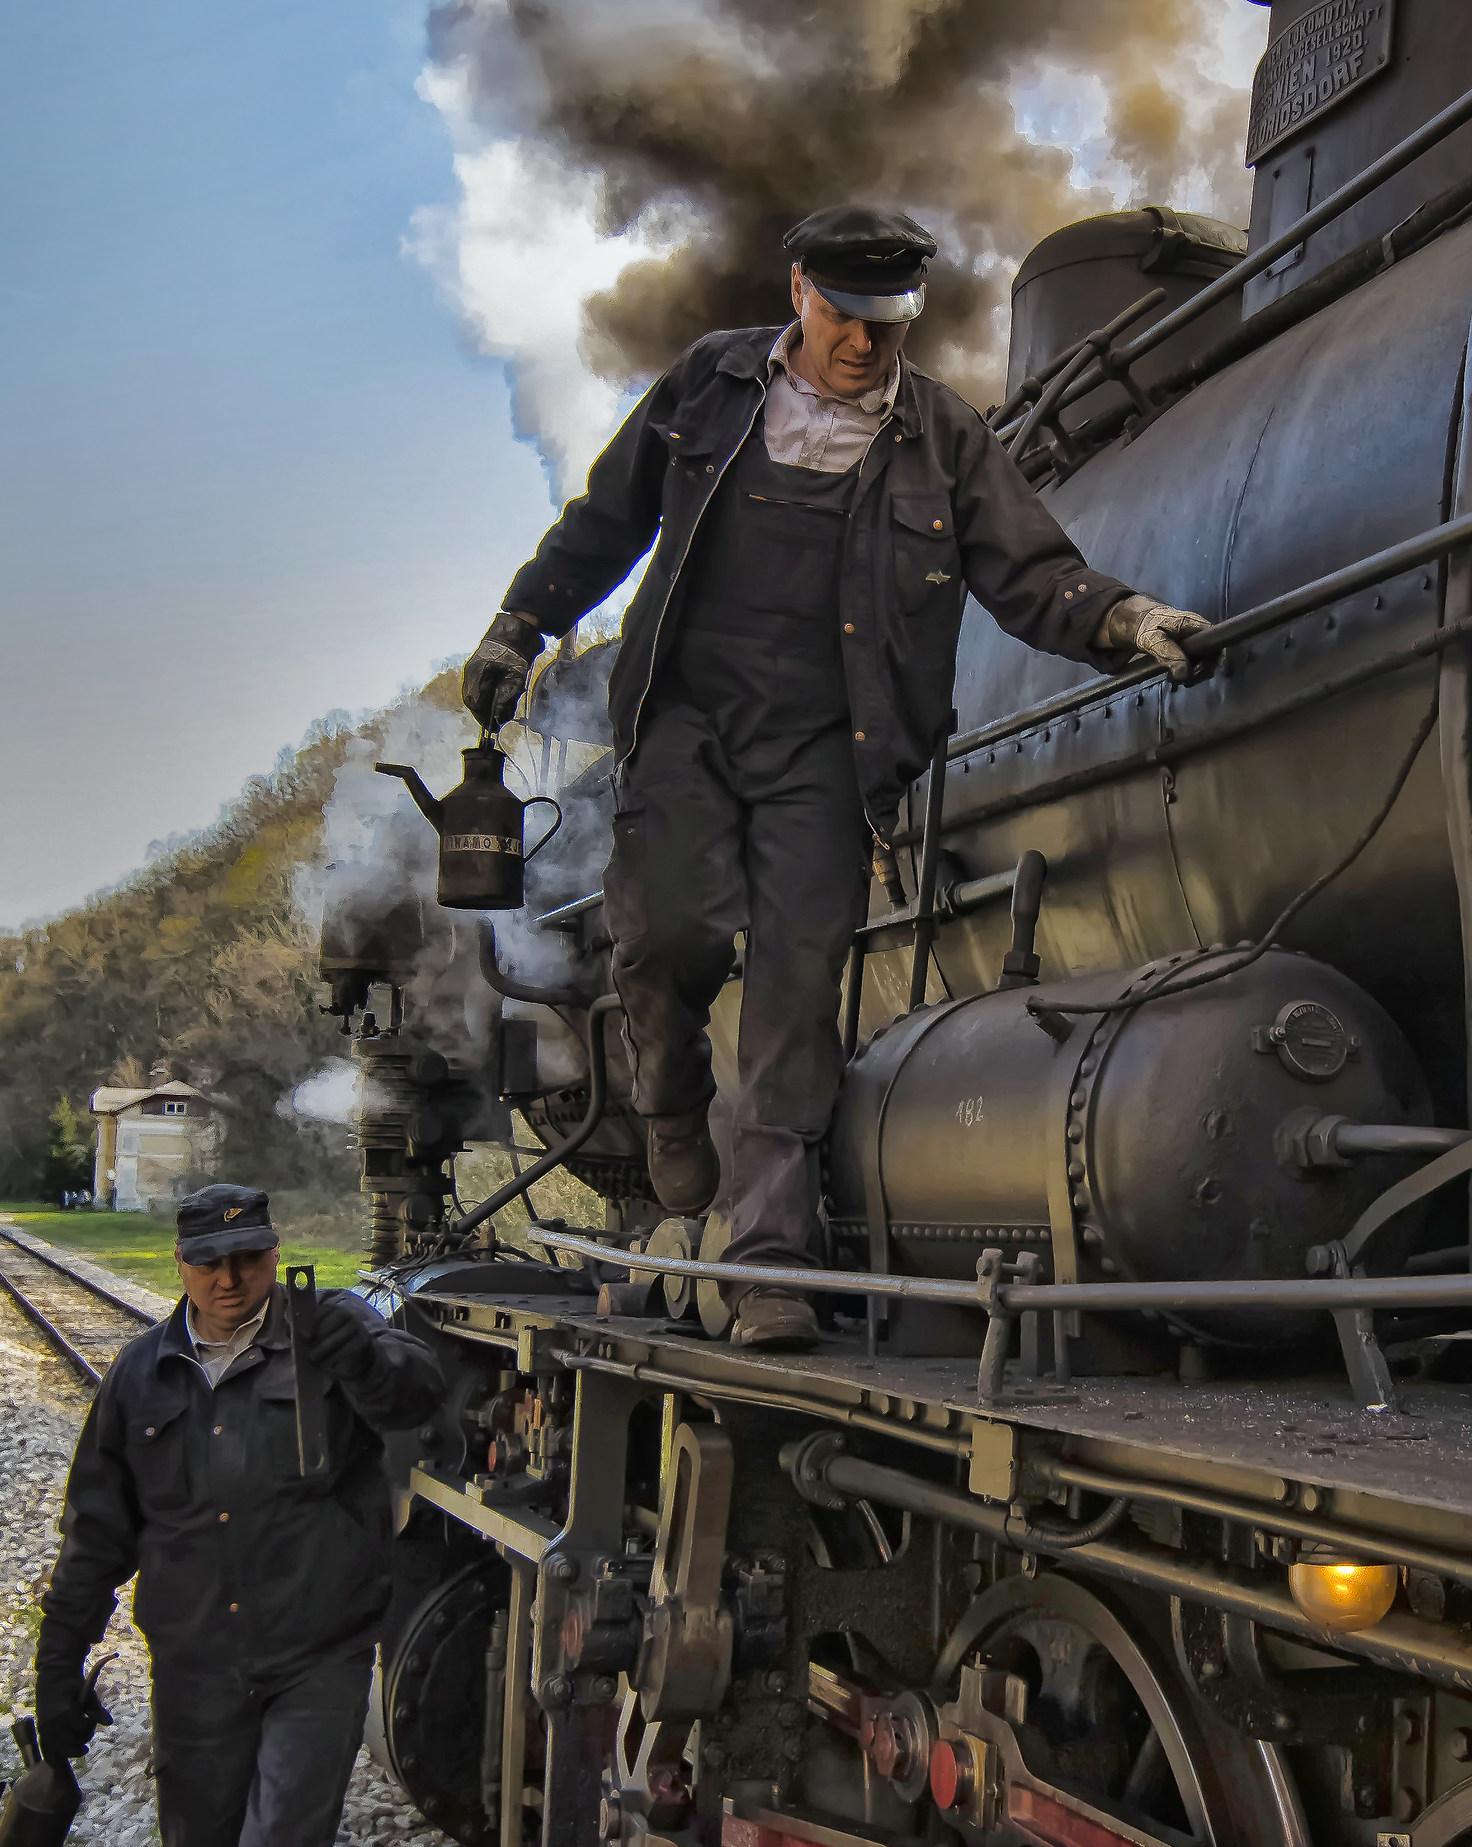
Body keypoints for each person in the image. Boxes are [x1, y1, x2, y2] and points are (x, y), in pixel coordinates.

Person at [463, 204, 1208, 1351]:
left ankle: (770, 1266)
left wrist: (1127, 618)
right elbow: (604, 524)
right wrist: (520, 628)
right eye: (848, 317)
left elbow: (1031, 570)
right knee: (658, 938)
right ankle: (666, 1105)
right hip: (688, 728)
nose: (867, 345)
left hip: (826, 751)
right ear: (801, 289)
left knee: (796, 1003)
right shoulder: (708, 384)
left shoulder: (940, 438)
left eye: (890, 323)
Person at [33, 1184, 444, 1847]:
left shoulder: (328, 1332)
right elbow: (95, 1537)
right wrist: (55, 1668)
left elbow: (415, 1395)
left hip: (317, 1657)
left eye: (250, 1262)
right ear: (180, 1266)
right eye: (213, 1265)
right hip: (198, 1670)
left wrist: (355, 1353)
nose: (232, 1282)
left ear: (273, 1256)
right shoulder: (141, 1379)